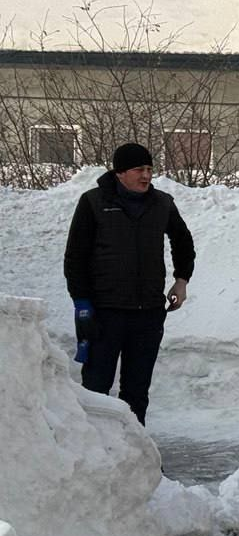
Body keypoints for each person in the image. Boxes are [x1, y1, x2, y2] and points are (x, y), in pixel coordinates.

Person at [63, 142, 195, 426]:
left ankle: (137, 460)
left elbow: (183, 242)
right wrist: (82, 303)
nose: (146, 175)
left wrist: (181, 281)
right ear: (120, 172)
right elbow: (75, 257)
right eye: (139, 169)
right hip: (104, 311)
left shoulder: (162, 203)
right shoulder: (93, 202)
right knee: (95, 391)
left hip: (147, 313)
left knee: (136, 393)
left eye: (149, 169)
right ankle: (94, 454)